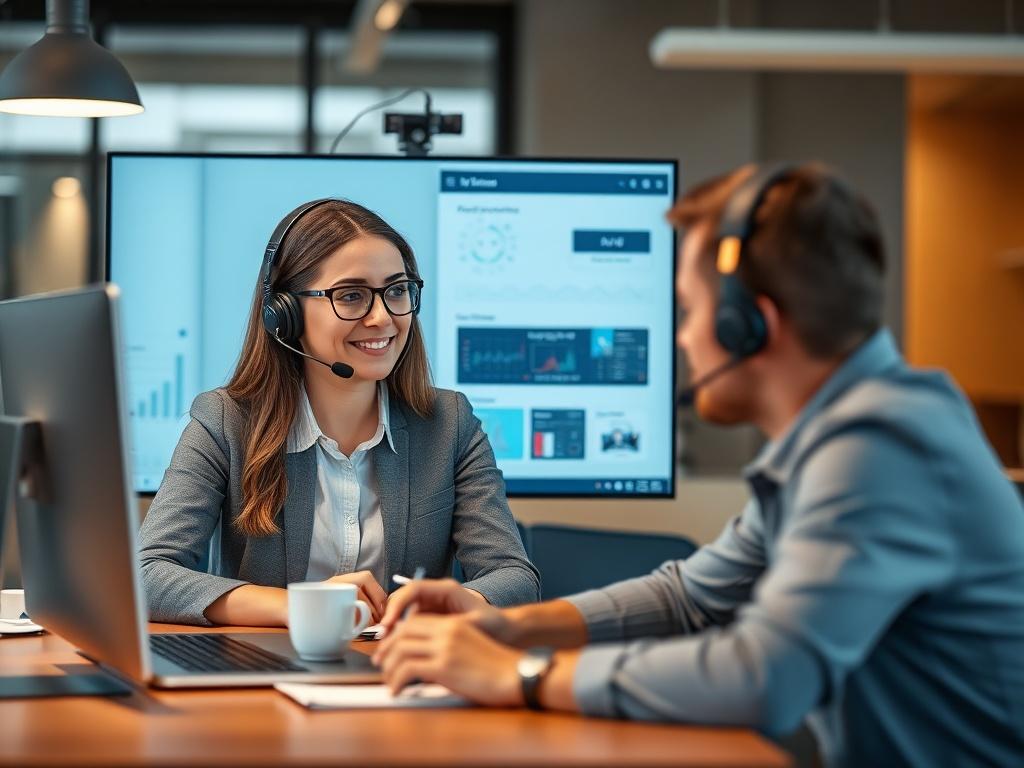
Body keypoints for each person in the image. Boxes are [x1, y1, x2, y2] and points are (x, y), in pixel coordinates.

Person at [372, 165, 1024, 767]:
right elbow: (688, 596)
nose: (682, 337)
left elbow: (762, 675)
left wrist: (516, 676)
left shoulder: (878, 449)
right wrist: (504, 627)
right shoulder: (844, 437)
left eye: (690, 310)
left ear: (750, 327)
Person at [138, 198, 539, 627]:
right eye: (351, 296)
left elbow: (515, 578)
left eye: (397, 290)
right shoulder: (226, 421)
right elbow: (147, 575)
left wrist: (461, 602)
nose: (383, 317)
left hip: (401, 672)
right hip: (265, 670)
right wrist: (304, 607)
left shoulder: (450, 423)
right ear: (285, 314)